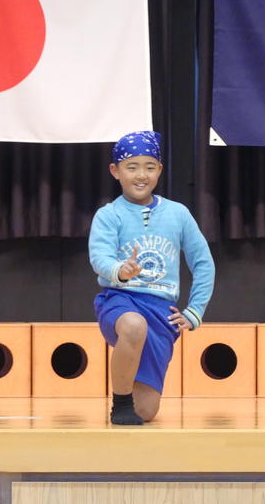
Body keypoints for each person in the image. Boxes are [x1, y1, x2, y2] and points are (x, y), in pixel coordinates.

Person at [89, 131, 214, 425]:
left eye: (149, 166)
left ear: (159, 170)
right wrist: (120, 270)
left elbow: (203, 263)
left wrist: (194, 312)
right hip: (120, 299)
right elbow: (99, 257)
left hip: (161, 312)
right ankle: (120, 403)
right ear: (115, 171)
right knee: (134, 325)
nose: (141, 175)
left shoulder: (178, 213)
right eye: (132, 167)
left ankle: (131, 400)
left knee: (145, 412)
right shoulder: (109, 215)